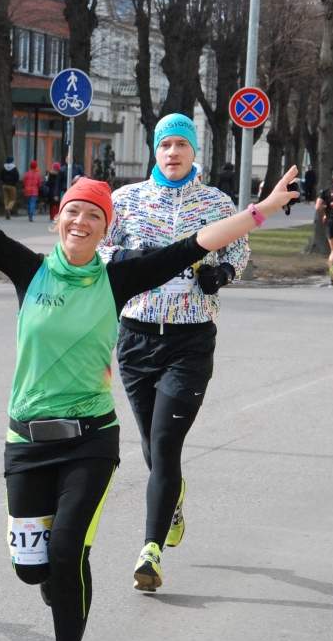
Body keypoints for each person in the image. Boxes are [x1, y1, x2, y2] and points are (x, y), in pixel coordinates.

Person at [0, 89, 296, 641]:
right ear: (58, 218)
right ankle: (59, 590)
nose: (82, 221)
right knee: (31, 569)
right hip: (26, 440)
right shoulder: (26, 269)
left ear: (105, 227)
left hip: (90, 438)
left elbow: (200, 243)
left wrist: (263, 208)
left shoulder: (118, 279)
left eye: (95, 215)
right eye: (74, 212)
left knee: (67, 552)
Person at [97, 113, 251, 594]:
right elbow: (97, 247)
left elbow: (238, 251)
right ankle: (174, 498)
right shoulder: (126, 201)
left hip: (190, 339)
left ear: (193, 152)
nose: (172, 153)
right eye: (165, 145)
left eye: (181, 145)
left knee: (164, 442)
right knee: (149, 441)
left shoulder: (215, 203)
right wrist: (119, 260)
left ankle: (150, 549)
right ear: (155, 150)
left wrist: (221, 275)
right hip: (137, 337)